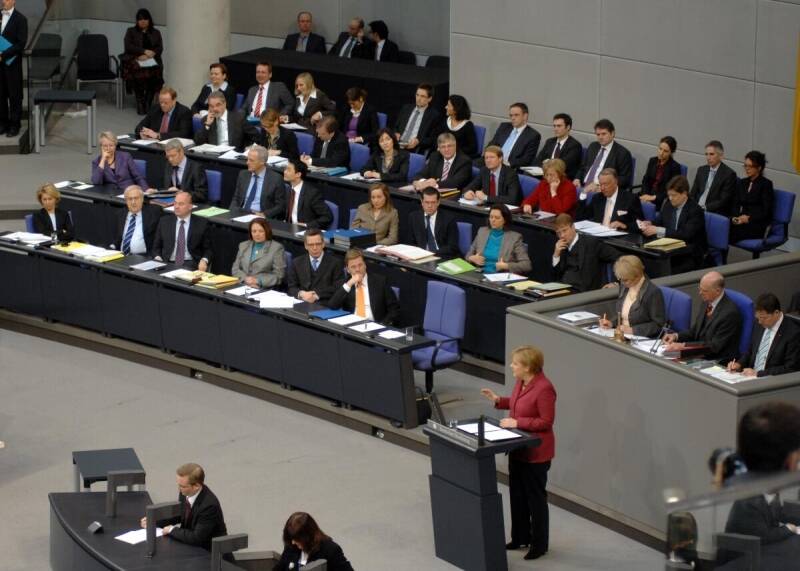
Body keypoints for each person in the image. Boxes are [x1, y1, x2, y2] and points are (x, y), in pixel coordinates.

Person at [480, 345, 556, 561]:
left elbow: (546, 421)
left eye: (515, 363)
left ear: (528, 367)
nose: (511, 366)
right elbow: (516, 404)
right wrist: (498, 400)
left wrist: (517, 422)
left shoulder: (545, 388)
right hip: (518, 448)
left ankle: (539, 544)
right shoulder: (521, 382)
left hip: (536, 453)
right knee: (517, 496)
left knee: (535, 500)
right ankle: (520, 537)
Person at [724, 402, 800, 545]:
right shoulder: (750, 503)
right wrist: (789, 528)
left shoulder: (769, 491)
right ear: (789, 461)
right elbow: (763, 538)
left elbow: (777, 513)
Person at [139, 463, 227, 550]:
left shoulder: (209, 506)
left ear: (197, 486)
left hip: (208, 552)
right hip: (190, 544)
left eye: (182, 486)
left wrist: (172, 530)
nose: (179, 489)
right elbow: (180, 515)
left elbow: (197, 538)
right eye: (178, 485)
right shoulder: (185, 492)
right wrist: (154, 520)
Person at [663, 271, 742, 362]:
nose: (700, 293)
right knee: (664, 356)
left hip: (716, 359)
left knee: (670, 359)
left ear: (717, 291)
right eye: (700, 289)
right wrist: (676, 336)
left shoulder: (730, 313)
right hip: (699, 353)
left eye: (704, 291)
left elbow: (714, 346)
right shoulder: (707, 301)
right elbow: (695, 331)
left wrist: (683, 346)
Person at [640, 175, 706, 273]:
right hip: (669, 250)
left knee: (660, 269)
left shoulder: (695, 211)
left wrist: (658, 230)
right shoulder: (668, 204)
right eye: (669, 195)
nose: (670, 198)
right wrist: (650, 223)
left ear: (684, 194)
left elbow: (686, 235)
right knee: (645, 262)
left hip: (689, 254)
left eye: (674, 195)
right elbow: (659, 222)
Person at [728, 293, 800, 378]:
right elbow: (751, 351)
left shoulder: (793, 333)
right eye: (758, 318)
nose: (760, 322)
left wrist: (758, 374)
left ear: (776, 313)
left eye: (763, 318)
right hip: (749, 377)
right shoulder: (759, 323)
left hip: (771, 381)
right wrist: (739, 364)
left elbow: (790, 368)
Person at [598, 256, 665, 337]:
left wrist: (633, 330)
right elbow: (623, 314)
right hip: (622, 335)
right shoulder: (624, 286)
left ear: (637, 275)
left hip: (641, 338)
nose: (622, 283)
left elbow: (658, 325)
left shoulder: (653, 292)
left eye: (625, 280)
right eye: (620, 279)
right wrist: (611, 323)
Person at [329, 248, 400, 325]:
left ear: (365, 265)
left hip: (375, 325)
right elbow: (333, 305)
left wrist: (383, 324)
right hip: (352, 326)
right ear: (348, 270)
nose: (358, 269)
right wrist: (349, 283)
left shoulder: (380, 281)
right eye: (353, 267)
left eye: (360, 265)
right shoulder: (345, 284)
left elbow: (394, 310)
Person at [551, 214, 619, 292]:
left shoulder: (591, 243)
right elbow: (555, 276)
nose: (562, 235)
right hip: (563, 289)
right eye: (558, 233)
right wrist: (556, 255)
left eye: (564, 230)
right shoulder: (559, 246)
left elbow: (619, 257)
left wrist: (615, 282)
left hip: (585, 291)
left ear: (573, 227)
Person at [152, 191, 212, 271]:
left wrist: (204, 260)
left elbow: (208, 249)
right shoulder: (164, 222)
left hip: (191, 264)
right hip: (167, 263)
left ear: (190, 206)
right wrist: (158, 258)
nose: (176, 207)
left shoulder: (201, 223)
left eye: (181, 204)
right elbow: (156, 247)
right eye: (175, 203)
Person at [273, 512, 354, 571]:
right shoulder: (291, 548)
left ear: (307, 536)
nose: (293, 542)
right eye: (291, 538)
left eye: (297, 539)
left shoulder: (330, 550)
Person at [466, 204, 532, 274]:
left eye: (497, 218)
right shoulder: (482, 231)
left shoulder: (515, 238)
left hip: (499, 276)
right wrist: (472, 258)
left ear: (505, 220)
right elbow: (468, 255)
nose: (493, 220)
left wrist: (506, 266)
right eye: (491, 217)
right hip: (479, 273)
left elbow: (527, 265)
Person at [122, 9, 164, 115]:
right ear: (137, 21)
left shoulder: (156, 32)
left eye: (145, 19)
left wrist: (151, 54)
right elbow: (128, 46)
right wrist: (143, 52)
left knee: (155, 72)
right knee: (138, 73)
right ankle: (140, 101)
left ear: (149, 20)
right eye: (140, 19)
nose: (143, 21)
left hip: (152, 59)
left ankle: (148, 101)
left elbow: (159, 47)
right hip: (135, 59)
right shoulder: (131, 31)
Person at [573, 118, 633, 191]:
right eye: (598, 134)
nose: (600, 137)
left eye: (604, 134)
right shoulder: (593, 146)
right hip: (583, 186)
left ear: (612, 133)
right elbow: (582, 167)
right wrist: (577, 179)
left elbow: (624, 179)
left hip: (602, 190)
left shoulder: (622, 153)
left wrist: (600, 186)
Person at [576, 168, 643, 232]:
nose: (602, 188)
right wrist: (583, 193)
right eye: (600, 184)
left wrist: (624, 225)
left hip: (618, 237)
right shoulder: (597, 198)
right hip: (597, 235)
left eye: (606, 184)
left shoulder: (630, 199)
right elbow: (581, 217)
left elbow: (641, 224)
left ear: (616, 182)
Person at [287, 228, 342, 304]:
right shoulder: (297, 262)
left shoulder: (335, 263)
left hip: (324, 304)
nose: (315, 248)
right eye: (311, 245)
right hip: (302, 303)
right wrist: (302, 294)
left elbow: (337, 287)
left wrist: (316, 295)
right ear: (305, 246)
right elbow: (291, 287)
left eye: (318, 244)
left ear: (323, 244)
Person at [730, 150, 774, 243]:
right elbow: (735, 203)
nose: (747, 169)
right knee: (720, 226)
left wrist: (748, 218)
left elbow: (766, 211)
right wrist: (735, 217)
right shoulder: (742, 182)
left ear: (759, 168)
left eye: (750, 166)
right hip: (741, 221)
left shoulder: (766, 184)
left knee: (726, 232)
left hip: (756, 223)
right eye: (745, 165)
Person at [230, 145, 286, 218]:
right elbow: (236, 198)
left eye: (251, 160)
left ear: (262, 162)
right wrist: (232, 211)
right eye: (247, 159)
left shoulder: (276, 178)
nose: (247, 162)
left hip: (260, 216)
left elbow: (280, 206)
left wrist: (265, 214)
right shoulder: (243, 174)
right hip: (241, 213)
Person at [231, 218, 286, 288]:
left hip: (263, 287)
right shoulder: (243, 245)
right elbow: (235, 268)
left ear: (267, 231)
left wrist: (258, 281)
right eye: (254, 231)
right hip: (242, 283)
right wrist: (245, 279)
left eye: (261, 231)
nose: (257, 234)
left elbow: (279, 275)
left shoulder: (276, 248)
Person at [484, 103, 541, 168]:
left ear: (525, 116)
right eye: (511, 115)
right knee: (475, 164)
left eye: (516, 115)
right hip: (491, 161)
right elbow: (492, 144)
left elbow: (526, 160)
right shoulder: (504, 127)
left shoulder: (533, 135)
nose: (513, 118)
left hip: (510, 167)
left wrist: (505, 163)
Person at [689, 140, 737, 217]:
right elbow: (693, 193)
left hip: (713, 212)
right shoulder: (701, 170)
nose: (708, 158)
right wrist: (692, 206)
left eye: (711, 154)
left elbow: (723, 201)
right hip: (696, 209)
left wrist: (704, 208)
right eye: (706, 154)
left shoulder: (729, 174)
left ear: (721, 156)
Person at [0, 0, 27, 137]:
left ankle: (15, 124)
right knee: (0, 94)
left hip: (13, 63)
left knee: (14, 94)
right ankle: (3, 123)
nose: (3, 1)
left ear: (13, 0)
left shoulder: (20, 19)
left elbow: (21, 43)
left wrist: (3, 55)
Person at [408, 187, 460, 257]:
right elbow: (410, 242)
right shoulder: (414, 217)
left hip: (442, 256)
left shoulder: (449, 219)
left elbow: (452, 247)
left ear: (438, 202)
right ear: (422, 202)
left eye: (433, 202)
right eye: (427, 202)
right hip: (420, 256)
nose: (430, 206)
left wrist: (431, 253)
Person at [394, 83, 444, 155]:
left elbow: (433, 139)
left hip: (414, 149)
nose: (418, 99)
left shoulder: (434, 115)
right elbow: (396, 127)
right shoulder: (406, 108)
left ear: (429, 99)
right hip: (398, 145)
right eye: (417, 95)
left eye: (422, 96)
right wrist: (396, 133)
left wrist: (418, 141)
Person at [283, 159, 333, 229]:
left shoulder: (312, 193)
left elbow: (327, 217)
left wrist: (307, 225)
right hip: (288, 228)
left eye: (288, 170)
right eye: (285, 169)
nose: (285, 172)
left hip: (305, 230)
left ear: (298, 174)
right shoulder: (288, 190)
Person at [533, 113, 582, 181]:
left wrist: (547, 163)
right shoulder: (550, 141)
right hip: (544, 175)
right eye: (554, 126)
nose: (555, 129)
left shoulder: (575, 145)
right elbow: (538, 160)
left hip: (561, 178)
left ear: (568, 127)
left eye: (559, 126)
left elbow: (562, 165)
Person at [639, 136, 682, 211]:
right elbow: (646, 180)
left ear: (671, 152)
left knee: (645, 209)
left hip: (661, 200)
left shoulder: (675, 167)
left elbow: (672, 190)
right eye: (660, 149)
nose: (661, 153)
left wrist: (653, 198)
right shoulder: (652, 160)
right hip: (647, 194)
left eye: (665, 151)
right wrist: (645, 195)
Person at [114, 185, 158, 255]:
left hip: (143, 256)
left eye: (136, 198)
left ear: (142, 199)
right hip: (121, 255)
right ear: (126, 201)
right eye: (130, 199)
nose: (133, 202)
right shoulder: (120, 214)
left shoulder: (153, 214)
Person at [444, 94, 478, 159]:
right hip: (445, 154)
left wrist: (454, 151)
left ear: (456, 109)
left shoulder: (467, 125)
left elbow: (473, 148)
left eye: (448, 105)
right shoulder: (446, 121)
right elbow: (438, 138)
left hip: (459, 157)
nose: (446, 107)